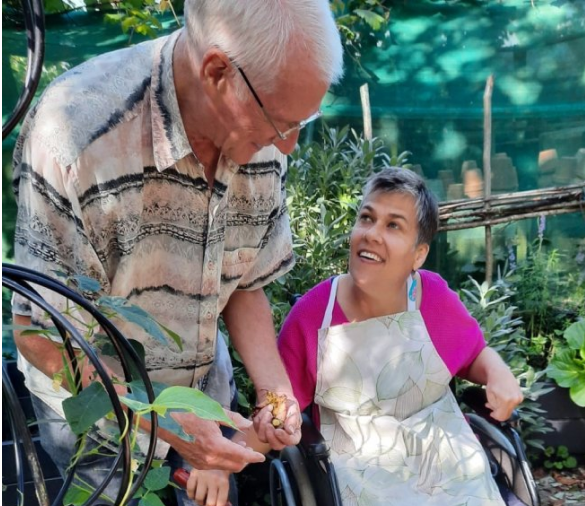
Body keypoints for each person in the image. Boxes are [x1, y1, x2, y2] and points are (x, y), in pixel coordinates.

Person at [10, 0, 343, 503]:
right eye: (280, 123)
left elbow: (244, 281)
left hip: (207, 402)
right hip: (97, 426)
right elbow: (39, 334)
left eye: (303, 121)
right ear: (217, 72)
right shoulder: (75, 134)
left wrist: (276, 391)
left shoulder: (261, 136)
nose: (290, 145)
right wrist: (168, 426)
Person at [277, 167, 524, 506]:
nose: (372, 234)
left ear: (418, 255)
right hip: (361, 479)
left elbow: (474, 354)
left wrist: (498, 373)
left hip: (449, 470)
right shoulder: (312, 315)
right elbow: (276, 410)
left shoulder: (432, 298)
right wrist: (218, 463)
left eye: (393, 225)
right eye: (367, 218)